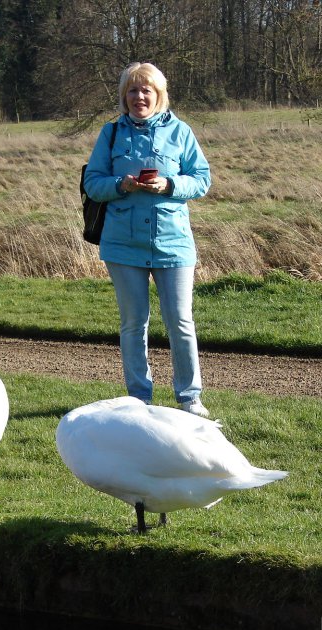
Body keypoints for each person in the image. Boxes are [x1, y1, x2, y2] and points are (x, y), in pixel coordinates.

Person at [83, 62, 211, 417]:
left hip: (173, 243)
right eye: (132, 90)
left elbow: (202, 179)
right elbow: (92, 183)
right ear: (124, 96)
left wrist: (169, 185)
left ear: (159, 95)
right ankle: (139, 399)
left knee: (180, 323)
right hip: (122, 245)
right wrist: (121, 185)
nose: (139, 97)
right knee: (133, 323)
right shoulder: (110, 133)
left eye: (146, 90)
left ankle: (190, 398)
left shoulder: (181, 132)